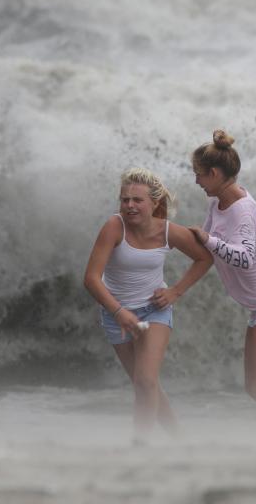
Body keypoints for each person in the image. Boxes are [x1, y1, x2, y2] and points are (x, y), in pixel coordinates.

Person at [169, 130, 256, 429]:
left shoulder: (243, 209)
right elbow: (205, 251)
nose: (196, 181)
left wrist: (207, 239)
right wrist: (164, 234)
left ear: (215, 173)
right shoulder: (217, 202)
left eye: (199, 175)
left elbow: (243, 257)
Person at [84, 167, 212, 441]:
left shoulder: (168, 232)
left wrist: (176, 291)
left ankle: (139, 444)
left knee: (145, 381)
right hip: (115, 313)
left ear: (154, 203)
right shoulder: (113, 227)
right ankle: (181, 439)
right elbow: (91, 279)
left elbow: (204, 258)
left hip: (154, 310)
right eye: (124, 199)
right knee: (144, 384)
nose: (129, 205)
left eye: (137, 200)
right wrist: (118, 312)